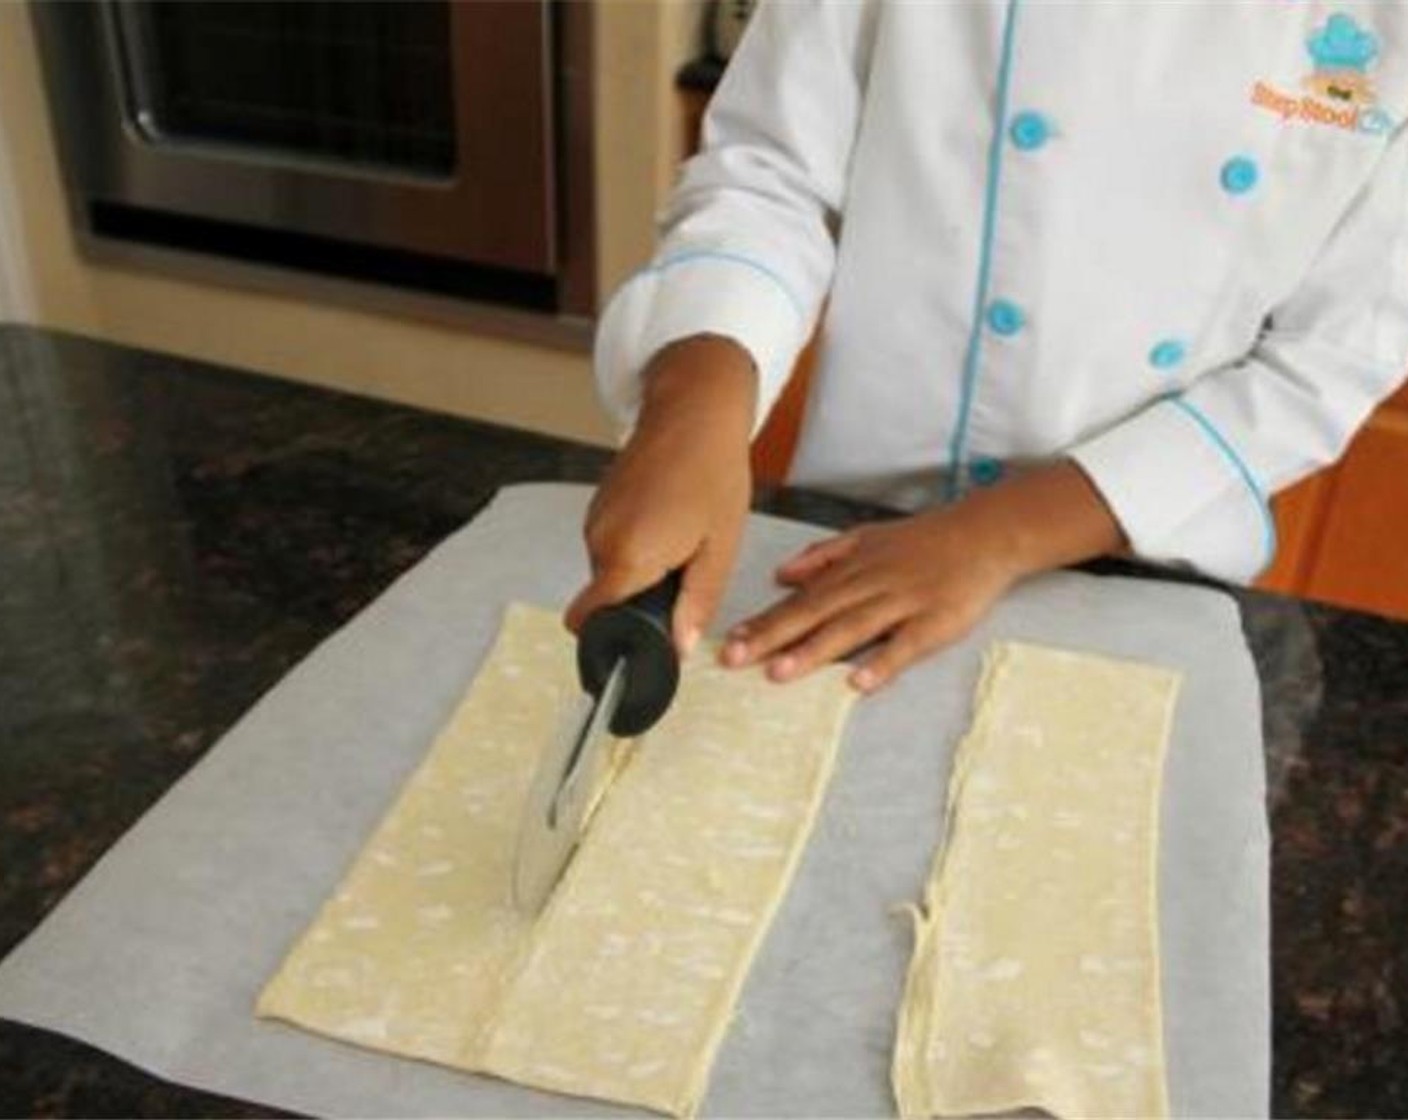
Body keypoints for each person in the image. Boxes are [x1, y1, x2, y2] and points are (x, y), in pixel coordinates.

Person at [567, 2, 1408, 692]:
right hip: (857, 535)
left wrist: (997, 537)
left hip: (1145, 557)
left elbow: (1329, 359)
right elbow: (771, 173)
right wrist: (694, 405)